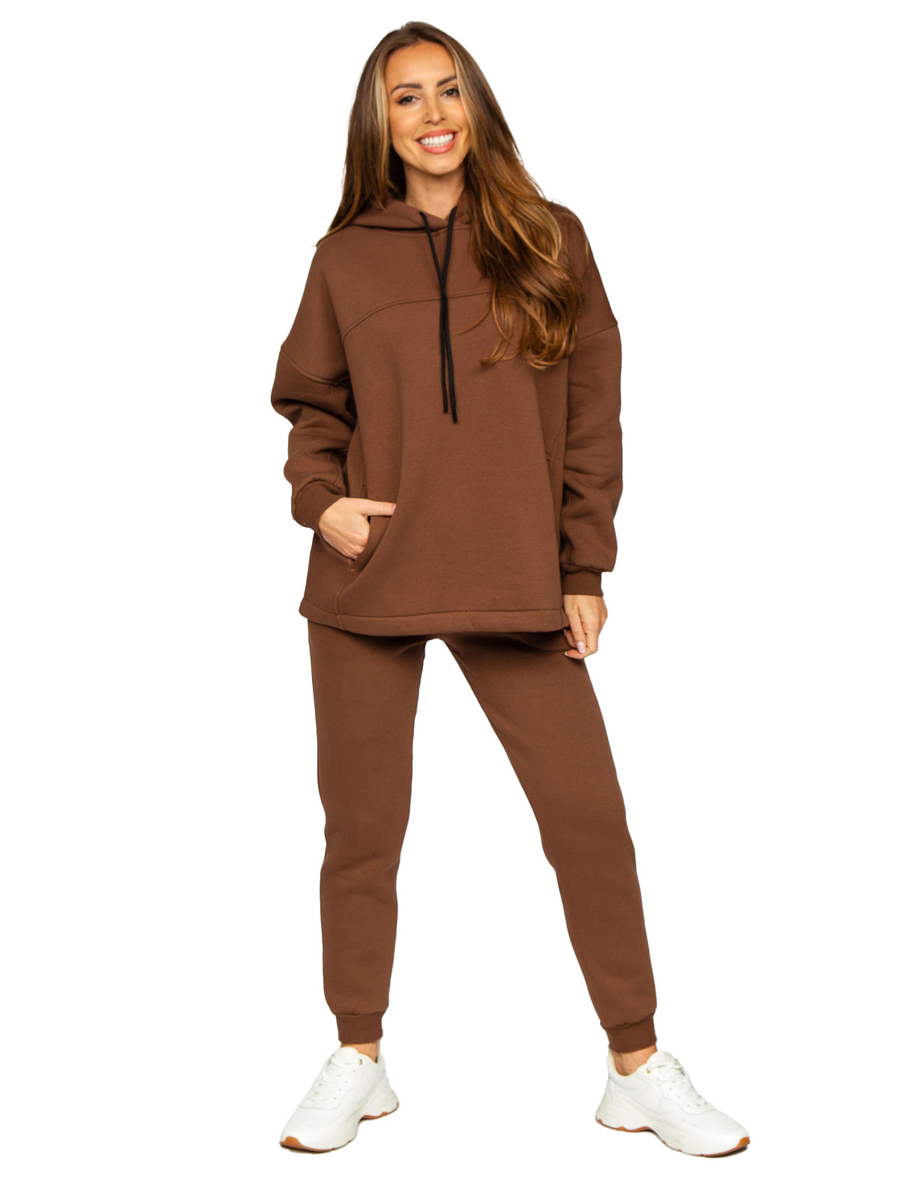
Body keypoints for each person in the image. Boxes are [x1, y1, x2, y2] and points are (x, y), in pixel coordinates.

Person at [269, 22, 750, 1159]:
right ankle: (358, 1056)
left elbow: (591, 410)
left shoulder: (551, 238)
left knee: (588, 822)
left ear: (476, 105)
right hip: (369, 576)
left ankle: (636, 1065)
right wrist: (322, 502)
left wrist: (583, 564)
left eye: (448, 91)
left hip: (512, 571)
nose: (432, 115)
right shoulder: (344, 258)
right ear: (379, 123)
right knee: (361, 834)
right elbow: (310, 404)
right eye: (405, 98)